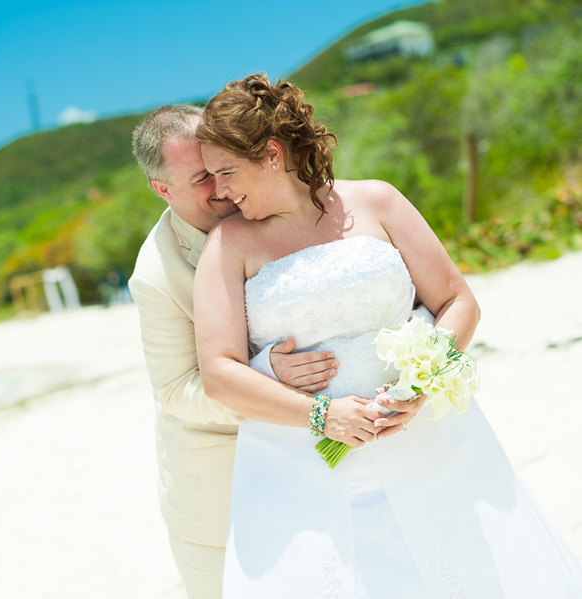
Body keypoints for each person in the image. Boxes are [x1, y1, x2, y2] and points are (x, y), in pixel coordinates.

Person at [193, 73, 582, 598]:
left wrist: (424, 380)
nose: (218, 192)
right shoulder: (229, 243)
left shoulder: (377, 202)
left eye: (225, 171)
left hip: (428, 440)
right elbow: (218, 373)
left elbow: (457, 301)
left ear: (270, 153)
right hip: (302, 464)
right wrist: (322, 416)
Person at [128, 105, 423, 599]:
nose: (222, 188)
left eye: (226, 167)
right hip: (220, 474)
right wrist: (267, 376)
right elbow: (176, 389)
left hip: (346, 445)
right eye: (203, 177)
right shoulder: (155, 275)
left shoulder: (282, 209)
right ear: (163, 190)